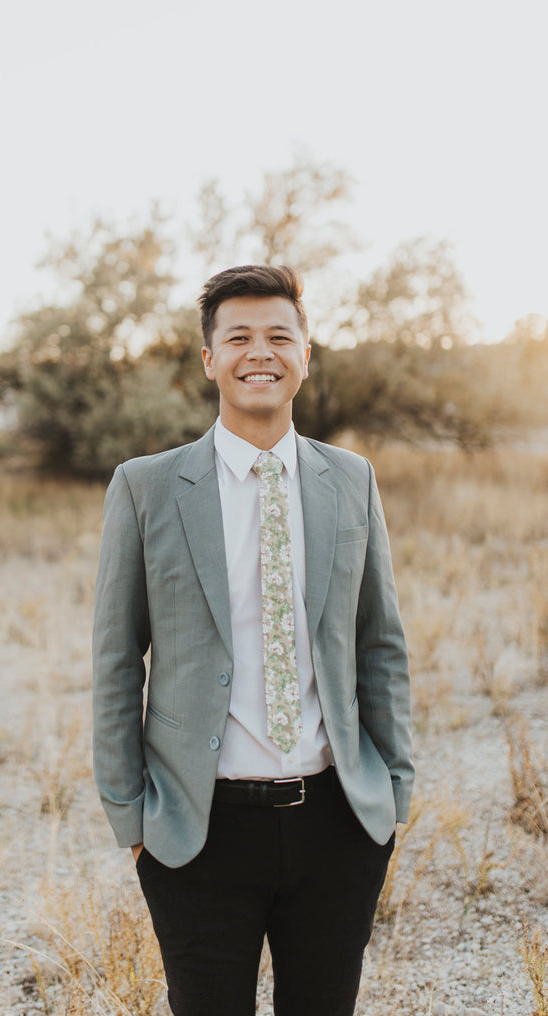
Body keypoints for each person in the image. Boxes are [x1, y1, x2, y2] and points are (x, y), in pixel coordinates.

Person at [92, 264, 414, 1016]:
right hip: (195, 829)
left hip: (338, 822)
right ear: (209, 360)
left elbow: (381, 644)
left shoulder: (351, 479)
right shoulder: (147, 487)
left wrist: (392, 794)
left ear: (306, 355)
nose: (258, 352)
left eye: (279, 336)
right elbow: (114, 660)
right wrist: (131, 817)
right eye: (237, 336)